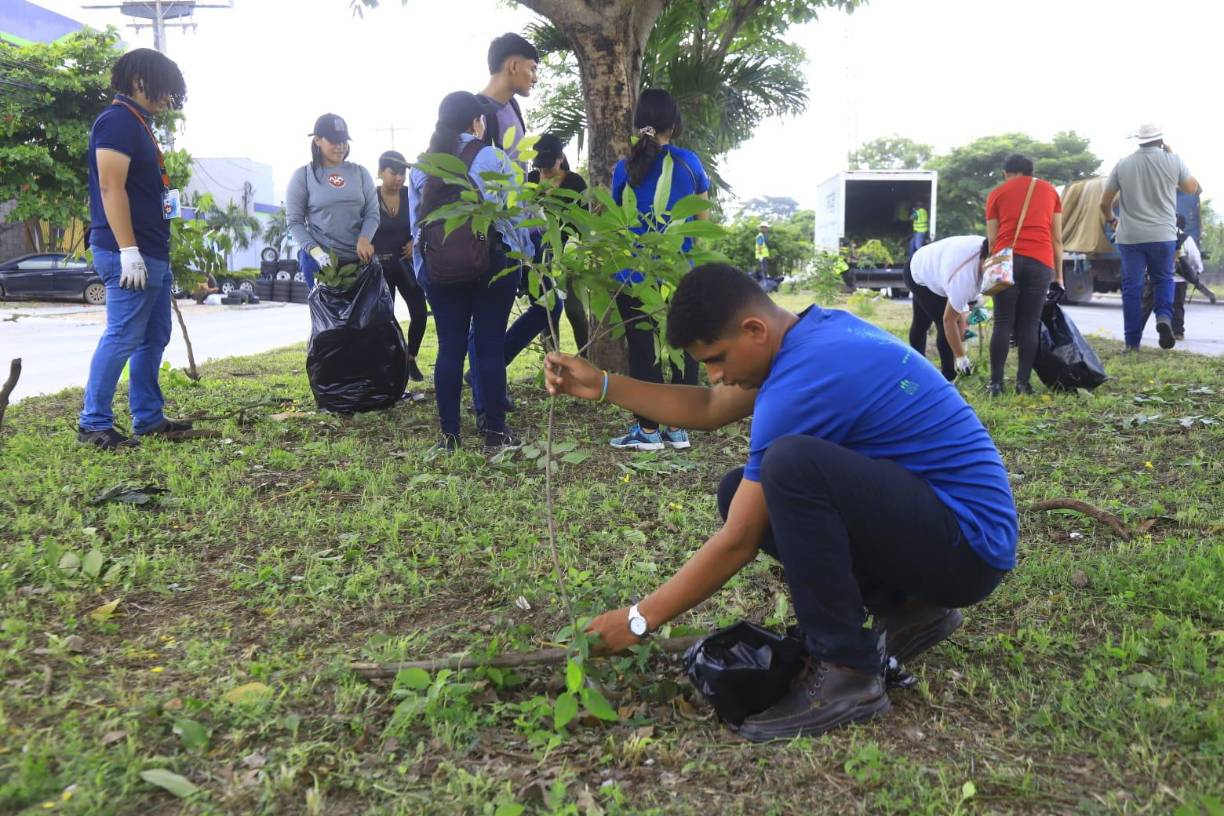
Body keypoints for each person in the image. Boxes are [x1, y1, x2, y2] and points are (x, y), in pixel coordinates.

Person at [544, 263, 1016, 741]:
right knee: (740, 490)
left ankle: (847, 670)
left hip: (968, 547)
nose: (716, 374)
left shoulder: (803, 379)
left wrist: (637, 620)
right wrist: (603, 385)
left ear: (754, 329)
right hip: (945, 530)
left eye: (717, 358)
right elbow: (709, 407)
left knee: (790, 467)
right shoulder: (814, 334)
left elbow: (738, 543)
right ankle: (910, 606)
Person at [78, 48, 192, 450]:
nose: (169, 99)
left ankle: (148, 417)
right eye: (166, 90)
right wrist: (129, 250)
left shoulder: (138, 124)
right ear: (140, 81)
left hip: (152, 252)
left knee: (154, 336)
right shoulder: (117, 122)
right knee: (123, 335)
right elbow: (111, 187)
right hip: (129, 252)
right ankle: (93, 424)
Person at [408, 91, 532, 452]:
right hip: (493, 265)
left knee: (450, 349)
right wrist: (523, 261)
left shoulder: (422, 166)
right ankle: (494, 432)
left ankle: (449, 436)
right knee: (490, 347)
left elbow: (417, 228)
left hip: (441, 268)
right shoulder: (492, 157)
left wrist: (424, 273)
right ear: (475, 123)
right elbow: (516, 218)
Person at [608, 88, 711, 452]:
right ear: (674, 122)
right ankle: (679, 429)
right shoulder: (689, 163)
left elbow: (615, 222)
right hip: (679, 273)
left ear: (640, 123)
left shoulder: (625, 167)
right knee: (684, 345)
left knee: (642, 350)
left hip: (633, 276)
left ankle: (648, 431)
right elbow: (702, 220)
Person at [468, 133, 590, 424]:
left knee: (562, 310)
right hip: (529, 255)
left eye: (549, 166)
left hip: (562, 254)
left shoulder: (575, 183)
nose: (544, 171)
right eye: (541, 166)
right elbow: (521, 213)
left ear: (561, 158)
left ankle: (493, 371)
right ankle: (493, 377)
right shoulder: (531, 179)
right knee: (546, 310)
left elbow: (582, 223)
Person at [1099, 123, 1201, 351]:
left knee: (1132, 288)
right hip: (1163, 234)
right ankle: (1163, 317)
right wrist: (1172, 155)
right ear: (1161, 140)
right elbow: (1191, 188)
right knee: (1163, 279)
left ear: (1139, 140)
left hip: (1130, 237)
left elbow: (1104, 203)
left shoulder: (1122, 165)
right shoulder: (1173, 161)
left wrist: (1112, 219)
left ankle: (1132, 343)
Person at [985, 154, 1063, 395]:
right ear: (1030, 171)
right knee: (1030, 323)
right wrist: (1059, 276)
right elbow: (1057, 238)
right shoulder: (1050, 192)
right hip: (1040, 261)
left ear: (1007, 172)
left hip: (1007, 259)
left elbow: (992, 239)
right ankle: (1023, 383)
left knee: (1002, 322)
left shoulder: (997, 193)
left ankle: (996, 384)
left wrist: (993, 263)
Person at [285, 113, 379, 290]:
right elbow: (294, 222)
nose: (340, 147)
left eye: (344, 141)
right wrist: (316, 252)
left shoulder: (360, 173)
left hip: (358, 260)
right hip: (321, 263)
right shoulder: (303, 176)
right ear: (318, 140)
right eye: (334, 141)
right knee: (329, 316)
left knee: (365, 316)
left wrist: (365, 238)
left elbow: (372, 213)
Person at [372, 149, 428, 382]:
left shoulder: (410, 194)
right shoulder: (370, 197)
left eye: (402, 173)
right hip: (380, 267)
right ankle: (391, 363)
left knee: (420, 312)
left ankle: (411, 358)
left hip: (405, 264)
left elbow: (424, 219)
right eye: (393, 173)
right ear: (380, 172)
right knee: (386, 318)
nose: (399, 178)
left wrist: (416, 239)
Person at [904, 236, 990, 381]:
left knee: (925, 322)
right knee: (933, 323)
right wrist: (961, 356)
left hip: (936, 266)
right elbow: (949, 321)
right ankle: (948, 375)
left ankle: (920, 368)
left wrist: (962, 341)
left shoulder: (994, 249)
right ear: (983, 258)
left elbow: (964, 313)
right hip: (918, 271)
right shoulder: (964, 279)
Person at [477, 32, 538, 167]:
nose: (535, 79)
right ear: (513, 66)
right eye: (532, 69)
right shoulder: (475, 113)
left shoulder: (513, 105)